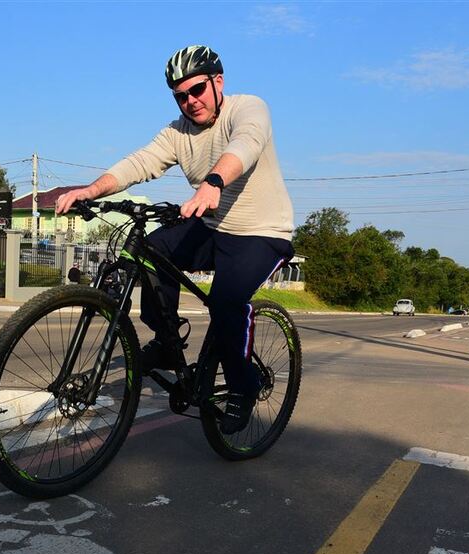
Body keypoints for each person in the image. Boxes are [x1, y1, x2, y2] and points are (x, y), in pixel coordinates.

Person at [55, 45, 295, 434]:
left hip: (261, 232)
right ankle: (168, 341)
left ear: (217, 82)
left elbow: (246, 144)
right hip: (212, 227)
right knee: (149, 251)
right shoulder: (177, 132)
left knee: (225, 302)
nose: (190, 101)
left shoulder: (248, 108)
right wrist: (92, 190)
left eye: (197, 90)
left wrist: (214, 182)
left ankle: (243, 386)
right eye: (180, 95)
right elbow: (139, 162)